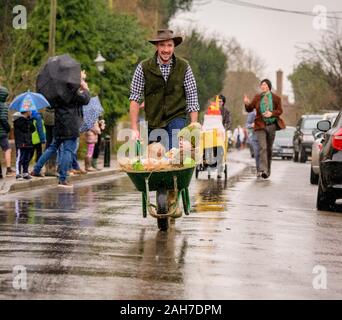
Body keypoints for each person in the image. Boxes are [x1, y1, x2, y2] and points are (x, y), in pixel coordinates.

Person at [129, 29, 200, 150]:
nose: (166, 50)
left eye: (169, 45)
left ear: (174, 47)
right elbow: (135, 98)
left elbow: (192, 95)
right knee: (154, 158)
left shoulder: (184, 66)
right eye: (162, 45)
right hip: (153, 120)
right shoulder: (143, 67)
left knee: (174, 153)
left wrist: (193, 123)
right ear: (156, 46)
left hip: (176, 117)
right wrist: (134, 129)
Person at [31, 71, 90, 188]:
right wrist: (86, 88)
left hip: (59, 124)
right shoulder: (73, 92)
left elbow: (51, 105)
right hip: (71, 125)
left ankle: (36, 170)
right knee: (68, 150)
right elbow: (86, 100)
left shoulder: (57, 92)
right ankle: (62, 179)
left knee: (52, 147)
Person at [244, 79, 285, 179]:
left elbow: (280, 111)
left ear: (269, 86)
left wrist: (272, 113)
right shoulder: (257, 97)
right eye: (261, 85)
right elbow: (249, 109)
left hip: (271, 125)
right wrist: (246, 103)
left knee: (269, 149)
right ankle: (263, 170)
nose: (263, 86)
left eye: (265, 84)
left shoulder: (276, 98)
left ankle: (268, 170)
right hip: (260, 125)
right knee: (263, 147)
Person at [13, 110, 35, 180]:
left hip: (28, 142)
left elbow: (33, 129)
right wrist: (27, 120)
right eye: (30, 110)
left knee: (27, 158)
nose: (31, 112)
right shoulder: (19, 120)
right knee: (20, 158)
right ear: (26, 112)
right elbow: (24, 128)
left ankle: (25, 172)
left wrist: (30, 119)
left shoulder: (28, 120)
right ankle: (18, 173)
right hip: (21, 142)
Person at [0, 85, 16, 177]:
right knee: (7, 149)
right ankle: (9, 170)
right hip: (2, 133)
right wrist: (8, 128)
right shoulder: (4, 105)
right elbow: (3, 118)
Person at [246, 109, 260, 177]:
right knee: (257, 154)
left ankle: (264, 170)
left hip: (264, 136)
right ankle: (258, 170)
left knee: (264, 154)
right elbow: (247, 125)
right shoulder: (252, 114)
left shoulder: (265, 112)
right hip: (255, 137)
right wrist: (252, 125)